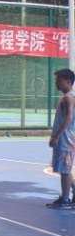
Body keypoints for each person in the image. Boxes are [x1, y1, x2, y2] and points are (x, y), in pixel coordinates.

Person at [46, 69, 75, 209]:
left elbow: (68, 117)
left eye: (59, 80)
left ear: (68, 81)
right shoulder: (69, 96)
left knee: (64, 171)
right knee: (64, 169)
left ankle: (65, 199)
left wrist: (56, 135)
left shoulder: (69, 97)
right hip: (67, 138)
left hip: (65, 139)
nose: (56, 83)